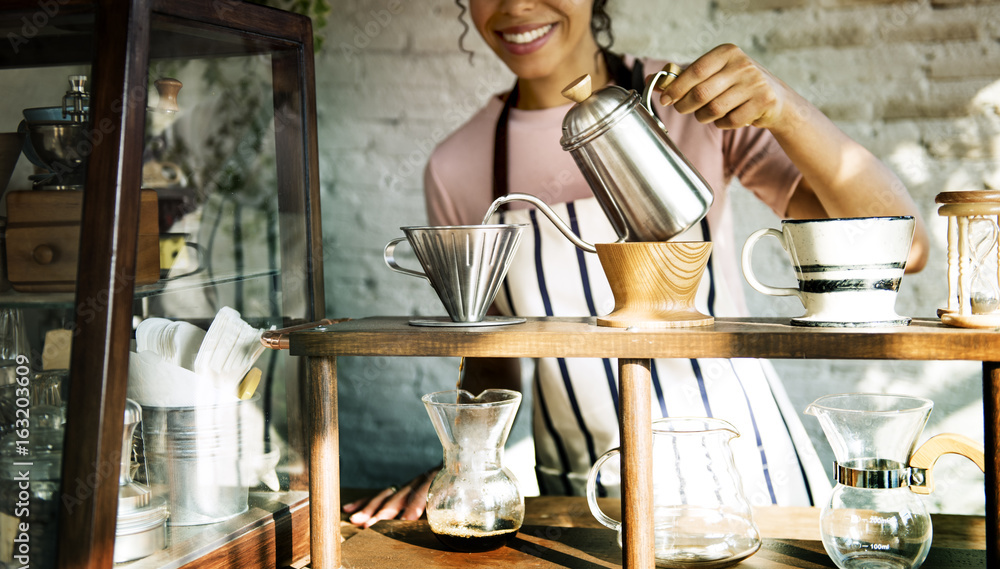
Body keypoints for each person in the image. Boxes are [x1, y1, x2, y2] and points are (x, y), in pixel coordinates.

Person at [344, 0, 930, 528]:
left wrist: (784, 109)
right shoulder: (457, 165)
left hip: (749, 469)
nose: (516, 6)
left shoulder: (692, 102)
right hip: (591, 496)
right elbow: (492, 355)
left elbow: (905, 251)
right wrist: (462, 467)